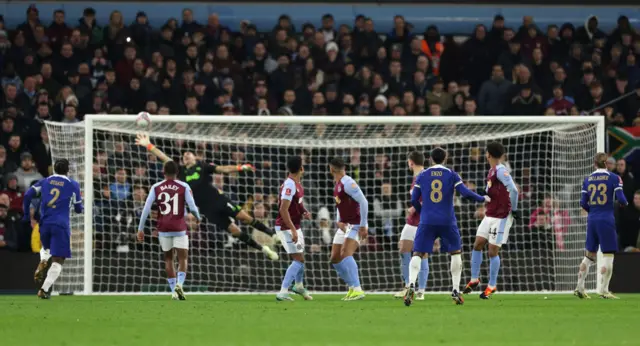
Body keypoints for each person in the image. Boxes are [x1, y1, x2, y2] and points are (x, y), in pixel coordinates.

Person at [135, 133, 279, 260]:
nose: (186, 155)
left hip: (219, 200)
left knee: (244, 218)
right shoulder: (181, 172)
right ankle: (263, 249)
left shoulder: (202, 166)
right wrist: (148, 145)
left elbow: (222, 169)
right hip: (207, 210)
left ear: (195, 156)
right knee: (235, 231)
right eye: (184, 154)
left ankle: (272, 234)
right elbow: (164, 158)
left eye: (189, 153)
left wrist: (239, 167)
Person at [404, 147, 489, 306]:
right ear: (445, 158)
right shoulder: (451, 175)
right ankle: (455, 290)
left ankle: (411, 285)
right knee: (455, 252)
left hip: (427, 220)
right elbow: (465, 193)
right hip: (447, 220)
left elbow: (414, 200)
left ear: (430, 159)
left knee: (418, 253)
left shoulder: (422, 175)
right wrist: (482, 198)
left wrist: (424, 212)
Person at [137, 160, 201, 300]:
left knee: (168, 259)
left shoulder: (156, 187)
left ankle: (173, 291)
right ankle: (180, 285)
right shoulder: (184, 186)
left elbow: (146, 209)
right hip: (179, 228)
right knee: (183, 258)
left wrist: (140, 229)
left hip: (163, 228)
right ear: (177, 172)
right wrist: (198, 217)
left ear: (163, 172)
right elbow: (192, 206)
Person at [464, 142, 520, 299]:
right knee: (478, 243)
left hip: (502, 217)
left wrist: (514, 210)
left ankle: (492, 285)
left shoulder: (501, 170)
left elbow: (514, 190)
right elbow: (493, 193)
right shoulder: (492, 171)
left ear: (488, 154)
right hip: (490, 214)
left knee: (492, 251)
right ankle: (474, 279)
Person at [22, 159, 83, 299]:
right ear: (68, 170)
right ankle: (44, 290)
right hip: (61, 225)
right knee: (58, 259)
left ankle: (43, 261)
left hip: (44, 223)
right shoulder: (73, 184)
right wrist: (80, 206)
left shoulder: (44, 181)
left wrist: (26, 215)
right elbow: (78, 209)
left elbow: (27, 195)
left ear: (54, 169)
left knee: (46, 247)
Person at [575, 153, 628, 299]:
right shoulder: (613, 177)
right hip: (606, 219)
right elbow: (621, 199)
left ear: (594, 164)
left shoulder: (588, 179)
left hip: (592, 219)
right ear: (607, 163)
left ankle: (579, 287)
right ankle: (604, 290)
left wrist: (592, 211)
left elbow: (582, 203)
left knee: (589, 255)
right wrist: (625, 204)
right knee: (608, 255)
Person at [329, 157, 369, 301]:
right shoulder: (338, 184)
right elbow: (341, 205)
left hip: (356, 223)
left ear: (331, 169)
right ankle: (352, 287)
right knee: (335, 258)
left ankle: (357, 289)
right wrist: (338, 220)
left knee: (346, 253)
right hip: (345, 224)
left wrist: (363, 225)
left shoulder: (348, 183)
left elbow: (364, 202)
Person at [274, 156, 312, 301]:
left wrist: (304, 212)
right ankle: (283, 291)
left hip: (294, 226)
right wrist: (293, 230)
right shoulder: (289, 185)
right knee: (298, 259)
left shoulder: (297, 184)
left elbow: (298, 203)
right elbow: (283, 210)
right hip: (285, 227)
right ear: (301, 169)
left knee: (300, 257)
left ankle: (299, 285)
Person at [395, 151, 428, 300]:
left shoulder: (423, 176)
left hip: (422, 220)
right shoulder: (417, 177)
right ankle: (409, 286)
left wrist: (414, 208)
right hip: (414, 221)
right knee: (404, 249)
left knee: (422, 253)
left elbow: (428, 197)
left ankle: (420, 290)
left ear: (410, 162)